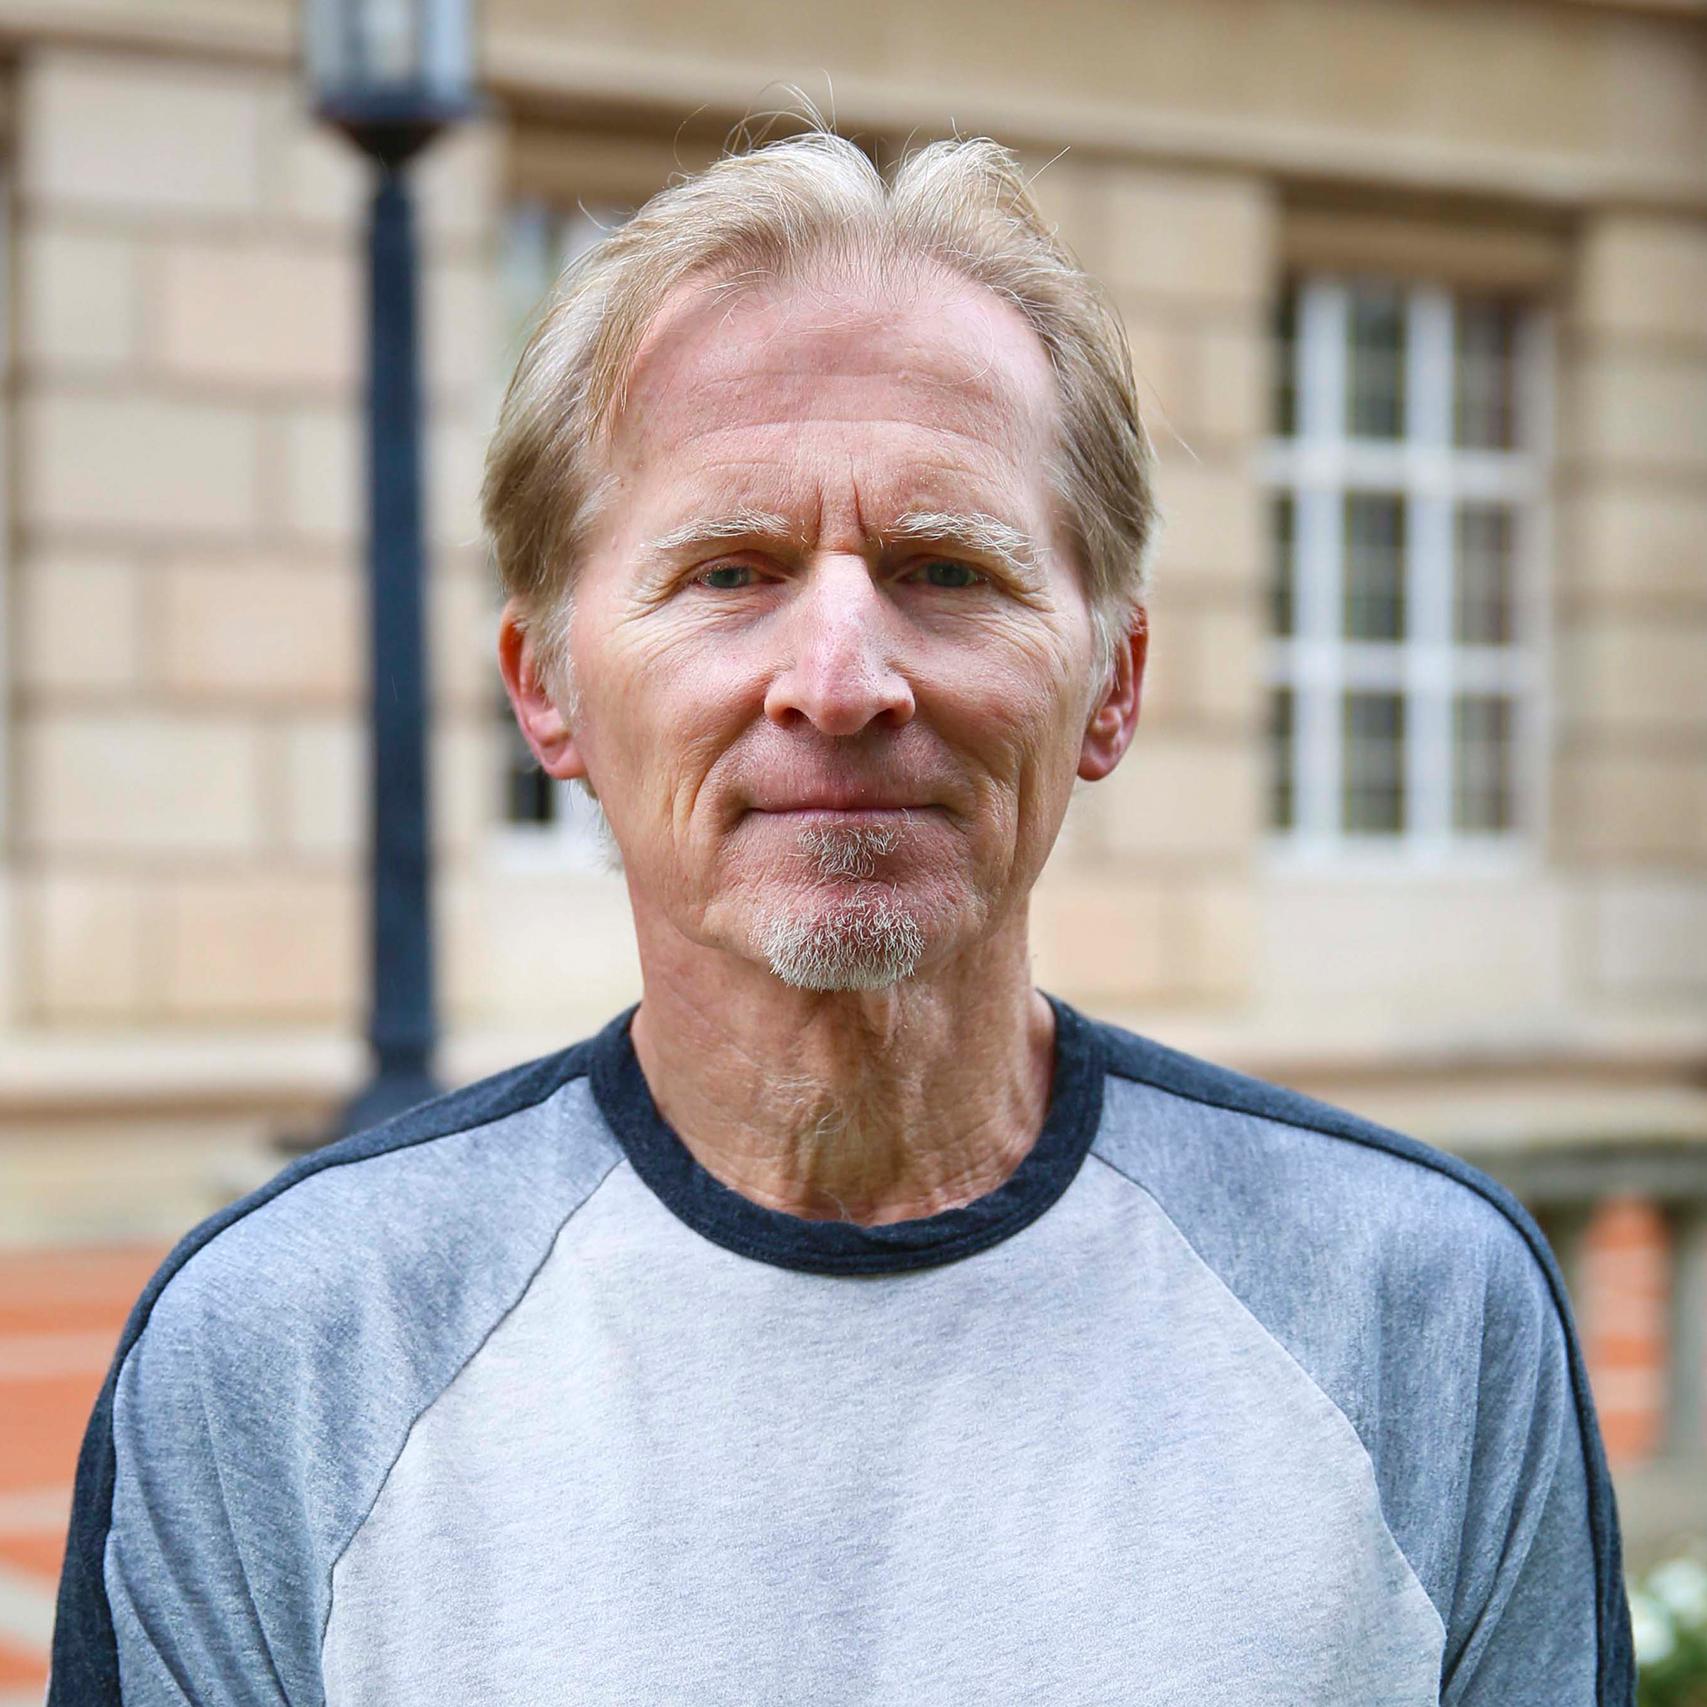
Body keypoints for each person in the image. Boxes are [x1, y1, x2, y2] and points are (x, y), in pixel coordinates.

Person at [50, 127, 1632, 1706]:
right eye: (730, 572)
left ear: (1113, 683)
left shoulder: (1419, 1313)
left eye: (947, 569)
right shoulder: (281, 1357)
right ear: (548, 693)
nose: (842, 680)